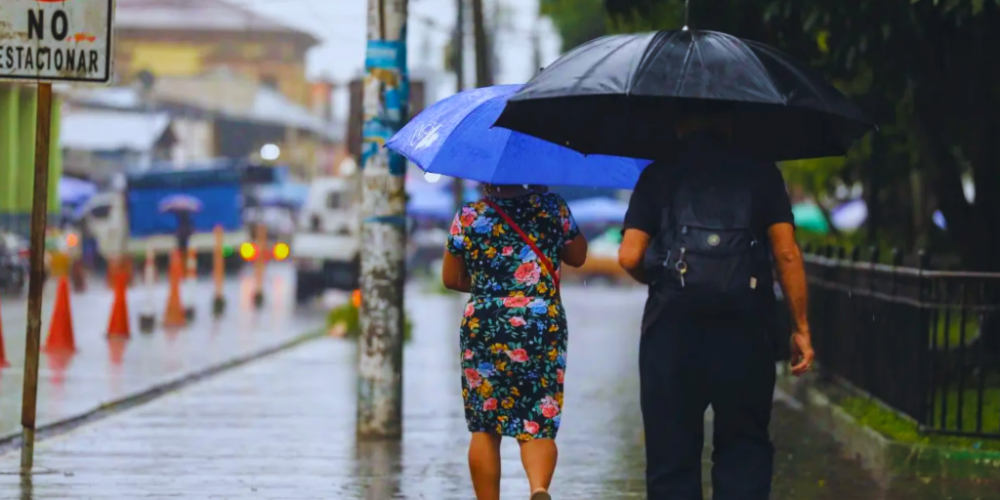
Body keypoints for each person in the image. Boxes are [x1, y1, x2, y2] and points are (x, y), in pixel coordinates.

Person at [617, 109, 815, 500]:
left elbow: (628, 255)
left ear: (678, 121)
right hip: (746, 330)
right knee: (745, 449)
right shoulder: (760, 172)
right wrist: (800, 328)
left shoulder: (659, 173)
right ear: (728, 122)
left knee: (671, 457)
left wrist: (661, 279)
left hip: (671, 332)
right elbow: (787, 253)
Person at [442, 184, 588, 500]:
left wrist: (492, 288)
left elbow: (451, 279)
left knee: (484, 424)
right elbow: (578, 256)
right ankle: (538, 488)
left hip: (485, 322)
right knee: (538, 416)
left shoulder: (469, 215)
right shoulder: (553, 208)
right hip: (540, 322)